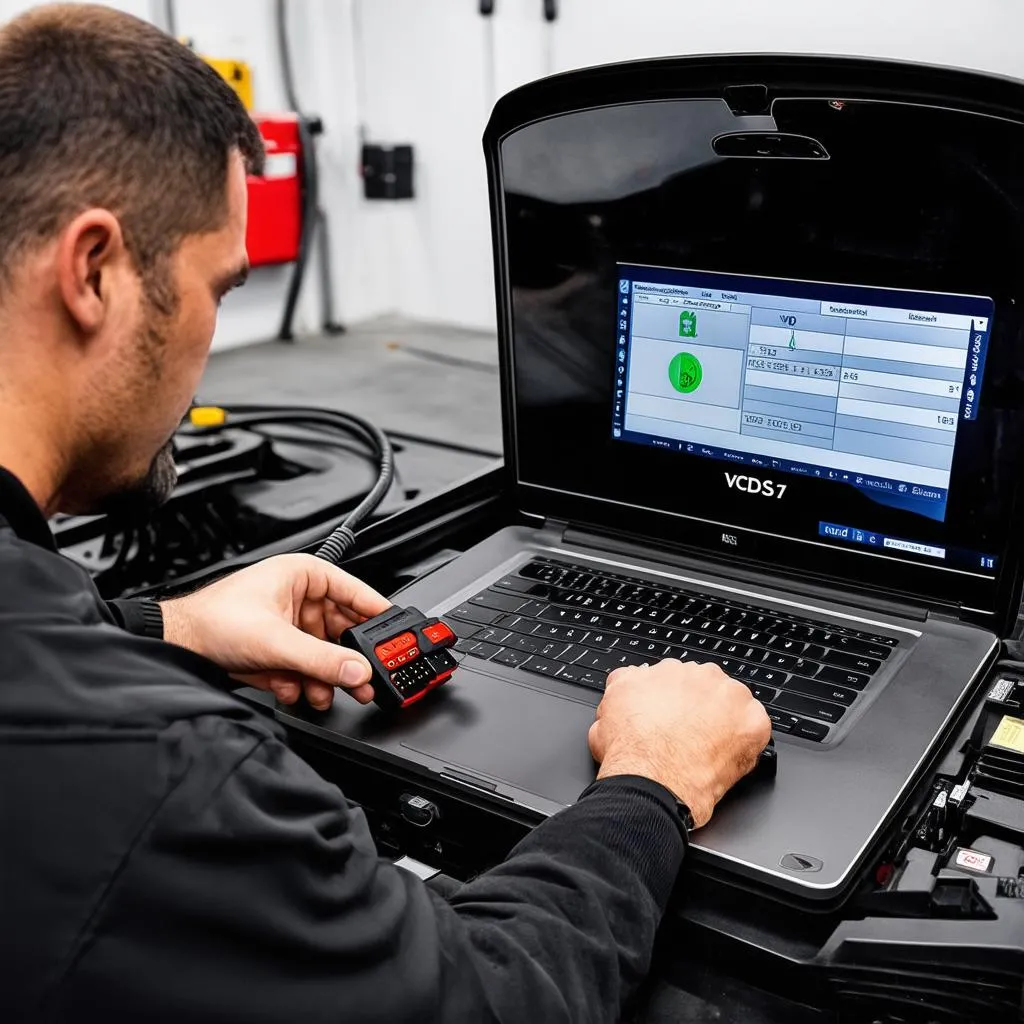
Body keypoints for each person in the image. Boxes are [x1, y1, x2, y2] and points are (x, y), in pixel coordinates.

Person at [0, 6, 771, 1023]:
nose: (208, 340)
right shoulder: (161, 772)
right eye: (219, 289)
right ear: (94, 270)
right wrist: (651, 781)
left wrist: (167, 626)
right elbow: (485, 1001)